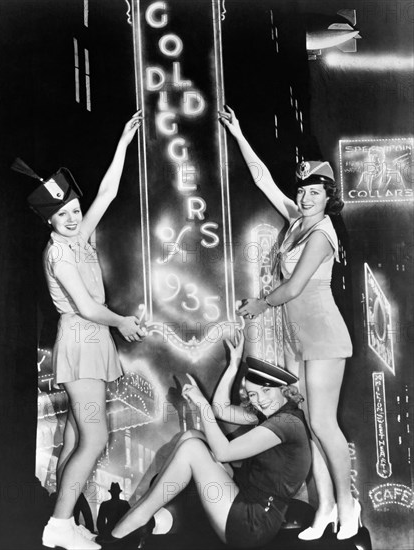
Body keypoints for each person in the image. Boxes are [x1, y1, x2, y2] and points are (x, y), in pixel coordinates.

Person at [218, 105, 359, 540]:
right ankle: (326, 508)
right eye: (302, 190)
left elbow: (294, 288)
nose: (304, 197)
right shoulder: (297, 222)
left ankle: (348, 506)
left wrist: (258, 305)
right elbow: (263, 180)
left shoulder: (322, 233)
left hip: (325, 337)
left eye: (315, 192)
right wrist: (239, 134)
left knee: (322, 424)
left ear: (328, 195)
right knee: (312, 424)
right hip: (305, 339)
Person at [14, 111, 146, 550]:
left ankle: (64, 520)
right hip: (81, 340)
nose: (72, 218)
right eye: (63, 214)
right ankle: (58, 526)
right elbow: (89, 307)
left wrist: (124, 143)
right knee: (95, 436)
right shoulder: (62, 255)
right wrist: (124, 322)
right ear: (47, 220)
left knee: (75, 432)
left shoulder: (79, 239)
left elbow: (106, 194)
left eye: (74, 210)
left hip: (90, 342)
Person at [108, 331, 312, 549]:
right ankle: (143, 514)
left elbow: (223, 452)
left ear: (285, 390)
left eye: (266, 391)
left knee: (194, 448)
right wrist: (233, 365)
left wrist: (202, 405)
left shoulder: (286, 423)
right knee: (192, 436)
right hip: (245, 497)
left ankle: (132, 524)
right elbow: (221, 409)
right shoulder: (276, 414)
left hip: (252, 523)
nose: (260, 400)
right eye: (253, 395)